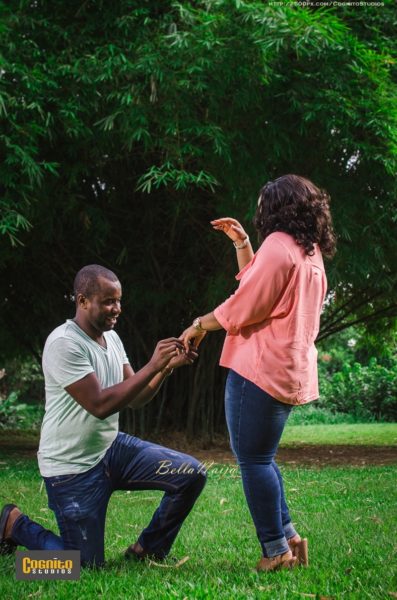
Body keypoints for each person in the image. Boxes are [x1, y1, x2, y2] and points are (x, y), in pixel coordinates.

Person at [0, 265, 206, 567]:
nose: (117, 308)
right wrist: (152, 365)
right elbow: (99, 405)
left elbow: (135, 398)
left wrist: (166, 368)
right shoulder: (63, 343)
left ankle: (147, 551)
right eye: (108, 301)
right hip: (71, 468)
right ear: (82, 301)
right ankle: (14, 525)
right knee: (80, 568)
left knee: (191, 474)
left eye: (119, 300)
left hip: (111, 450)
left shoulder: (112, 339)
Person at [181, 174, 336, 572]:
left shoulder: (279, 247)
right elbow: (260, 286)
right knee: (262, 458)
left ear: (278, 208)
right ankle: (289, 538)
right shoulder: (309, 252)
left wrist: (199, 324)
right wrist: (242, 244)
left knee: (252, 461)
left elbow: (246, 304)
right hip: (288, 371)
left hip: (260, 369)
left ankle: (275, 551)